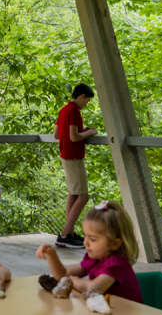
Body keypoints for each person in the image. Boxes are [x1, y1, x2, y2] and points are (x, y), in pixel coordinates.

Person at [36, 201, 142, 303]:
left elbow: (94, 288)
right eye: (85, 236)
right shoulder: (94, 258)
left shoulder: (116, 263)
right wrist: (51, 254)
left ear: (114, 243)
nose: (85, 242)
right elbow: (63, 274)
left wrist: (73, 281)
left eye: (92, 239)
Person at [53, 83, 98, 248]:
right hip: (74, 157)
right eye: (87, 100)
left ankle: (70, 233)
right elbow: (73, 137)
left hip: (65, 156)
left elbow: (56, 134)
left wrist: (82, 130)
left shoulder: (63, 110)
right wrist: (90, 132)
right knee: (84, 197)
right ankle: (65, 235)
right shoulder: (74, 111)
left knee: (73, 194)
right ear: (82, 96)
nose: (87, 104)